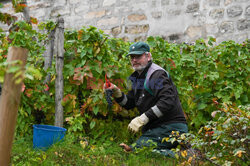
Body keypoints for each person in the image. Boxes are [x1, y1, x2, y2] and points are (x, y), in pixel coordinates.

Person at [104, 41, 188, 156]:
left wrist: (143, 119)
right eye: (132, 57)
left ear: (148, 56)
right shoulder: (138, 77)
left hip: (171, 127)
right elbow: (129, 103)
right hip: (158, 129)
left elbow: (167, 101)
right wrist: (117, 92)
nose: (134, 60)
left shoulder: (156, 75)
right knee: (137, 150)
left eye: (138, 56)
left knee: (140, 150)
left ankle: (185, 156)